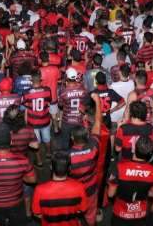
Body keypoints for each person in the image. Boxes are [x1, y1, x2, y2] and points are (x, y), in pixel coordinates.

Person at [108, 137, 153, 225]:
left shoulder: (119, 168)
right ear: (150, 153)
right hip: (140, 214)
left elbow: (110, 194)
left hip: (120, 213)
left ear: (134, 149)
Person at [68, 93, 102, 226]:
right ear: (87, 136)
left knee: (74, 214)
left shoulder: (67, 156)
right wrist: (98, 102)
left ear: (72, 139)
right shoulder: (94, 147)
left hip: (74, 192)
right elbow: (98, 122)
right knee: (91, 214)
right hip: (91, 190)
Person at [32, 151, 88, 225]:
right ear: (69, 168)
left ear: (51, 167)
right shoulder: (79, 187)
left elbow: (37, 213)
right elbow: (82, 210)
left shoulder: (39, 190)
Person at [22, 70, 52, 166]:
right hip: (45, 120)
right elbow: (49, 102)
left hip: (33, 122)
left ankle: (39, 161)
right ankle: (49, 154)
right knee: (47, 139)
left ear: (31, 80)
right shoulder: (47, 90)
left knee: (36, 143)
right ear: (40, 79)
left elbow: (24, 105)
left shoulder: (26, 93)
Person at [57, 68, 87, 149]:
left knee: (65, 142)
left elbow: (60, 105)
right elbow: (85, 103)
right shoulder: (83, 90)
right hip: (79, 120)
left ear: (67, 78)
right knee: (79, 142)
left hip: (67, 121)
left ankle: (66, 158)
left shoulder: (63, 92)